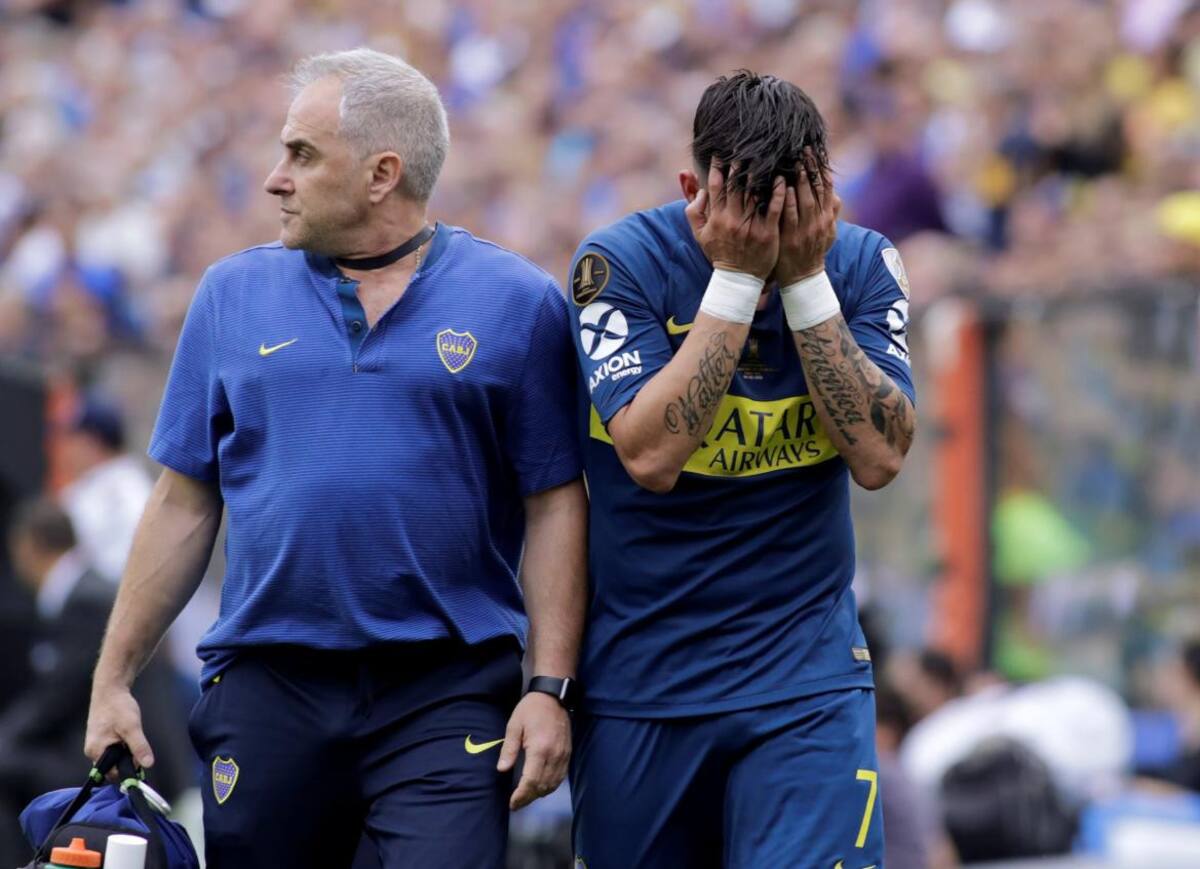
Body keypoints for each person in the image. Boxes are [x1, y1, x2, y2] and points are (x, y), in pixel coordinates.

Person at [84, 48, 587, 868]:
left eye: (302, 154)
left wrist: (548, 687)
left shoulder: (519, 304)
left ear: (382, 174)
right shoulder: (229, 294)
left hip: (446, 688)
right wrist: (113, 678)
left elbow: (556, 503)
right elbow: (183, 501)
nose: (276, 177)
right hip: (268, 682)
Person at [566, 71, 917, 868]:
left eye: (794, 208)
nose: (773, 230)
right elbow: (651, 456)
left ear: (825, 193)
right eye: (747, 211)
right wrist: (733, 279)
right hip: (644, 684)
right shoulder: (618, 264)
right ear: (692, 188)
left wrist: (803, 279)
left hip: (805, 682)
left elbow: (880, 455)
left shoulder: (861, 263)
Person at [0, 500, 190, 866]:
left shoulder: (86, 600)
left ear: (26, 547)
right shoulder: (93, 589)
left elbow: (56, 697)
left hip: (130, 762)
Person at [58, 393, 154, 585]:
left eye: (70, 438)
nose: (64, 448)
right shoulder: (92, 484)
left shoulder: (128, 489)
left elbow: (135, 564)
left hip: (106, 602)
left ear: (91, 442)